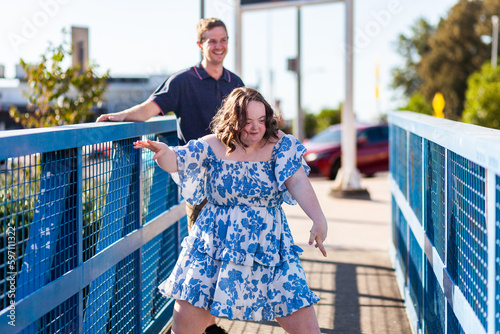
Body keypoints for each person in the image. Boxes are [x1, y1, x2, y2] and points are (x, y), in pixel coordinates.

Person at [133, 87, 328, 334]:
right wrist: (163, 153)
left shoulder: (281, 145)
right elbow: (177, 160)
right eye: (247, 122)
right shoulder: (212, 145)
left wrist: (318, 218)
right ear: (232, 120)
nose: (256, 128)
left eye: (261, 120)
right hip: (214, 245)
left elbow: (298, 181)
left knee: (304, 324)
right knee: (185, 324)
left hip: (268, 246)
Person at [98, 19, 243, 333]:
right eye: (211, 40)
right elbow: (148, 110)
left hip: (233, 182)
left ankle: (207, 325)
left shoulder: (236, 83)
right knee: (205, 251)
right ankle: (206, 326)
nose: (218, 46)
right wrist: (118, 117)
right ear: (200, 45)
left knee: (226, 254)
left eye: (223, 40)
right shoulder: (182, 81)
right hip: (199, 182)